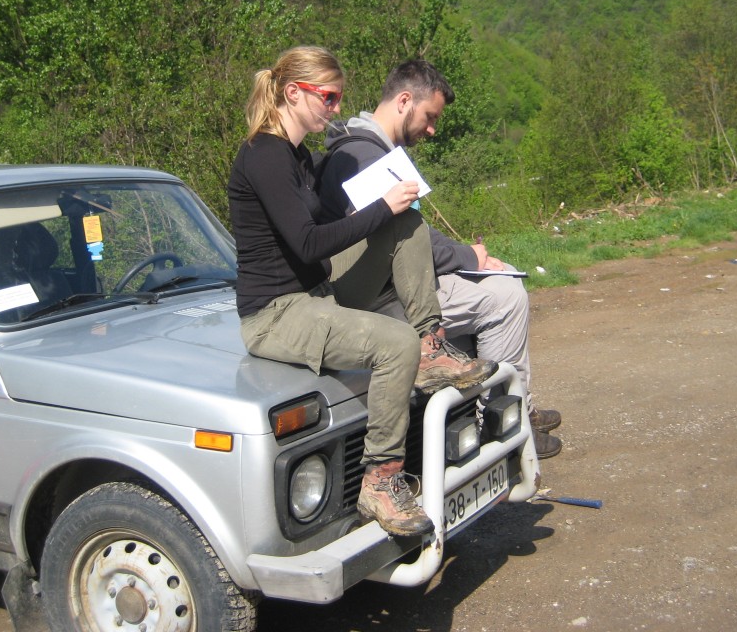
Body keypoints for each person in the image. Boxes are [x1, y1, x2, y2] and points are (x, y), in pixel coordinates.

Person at [227, 46, 493, 537]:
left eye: (338, 98)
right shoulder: (263, 155)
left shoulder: (297, 154)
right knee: (396, 343)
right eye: (328, 98)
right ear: (293, 93)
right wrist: (379, 208)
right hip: (275, 315)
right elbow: (306, 244)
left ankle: (432, 348)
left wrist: (379, 216)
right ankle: (381, 480)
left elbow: (319, 232)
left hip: (317, 293)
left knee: (406, 226)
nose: (334, 108)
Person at [318, 59, 563, 459]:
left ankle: (512, 412)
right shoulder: (366, 157)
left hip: (382, 288)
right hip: (382, 300)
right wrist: (471, 256)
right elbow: (412, 239)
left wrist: (465, 257)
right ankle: (503, 425)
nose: (431, 130)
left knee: (497, 288)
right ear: (403, 101)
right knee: (505, 296)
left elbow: (412, 233)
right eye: (429, 117)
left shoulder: (366, 149)